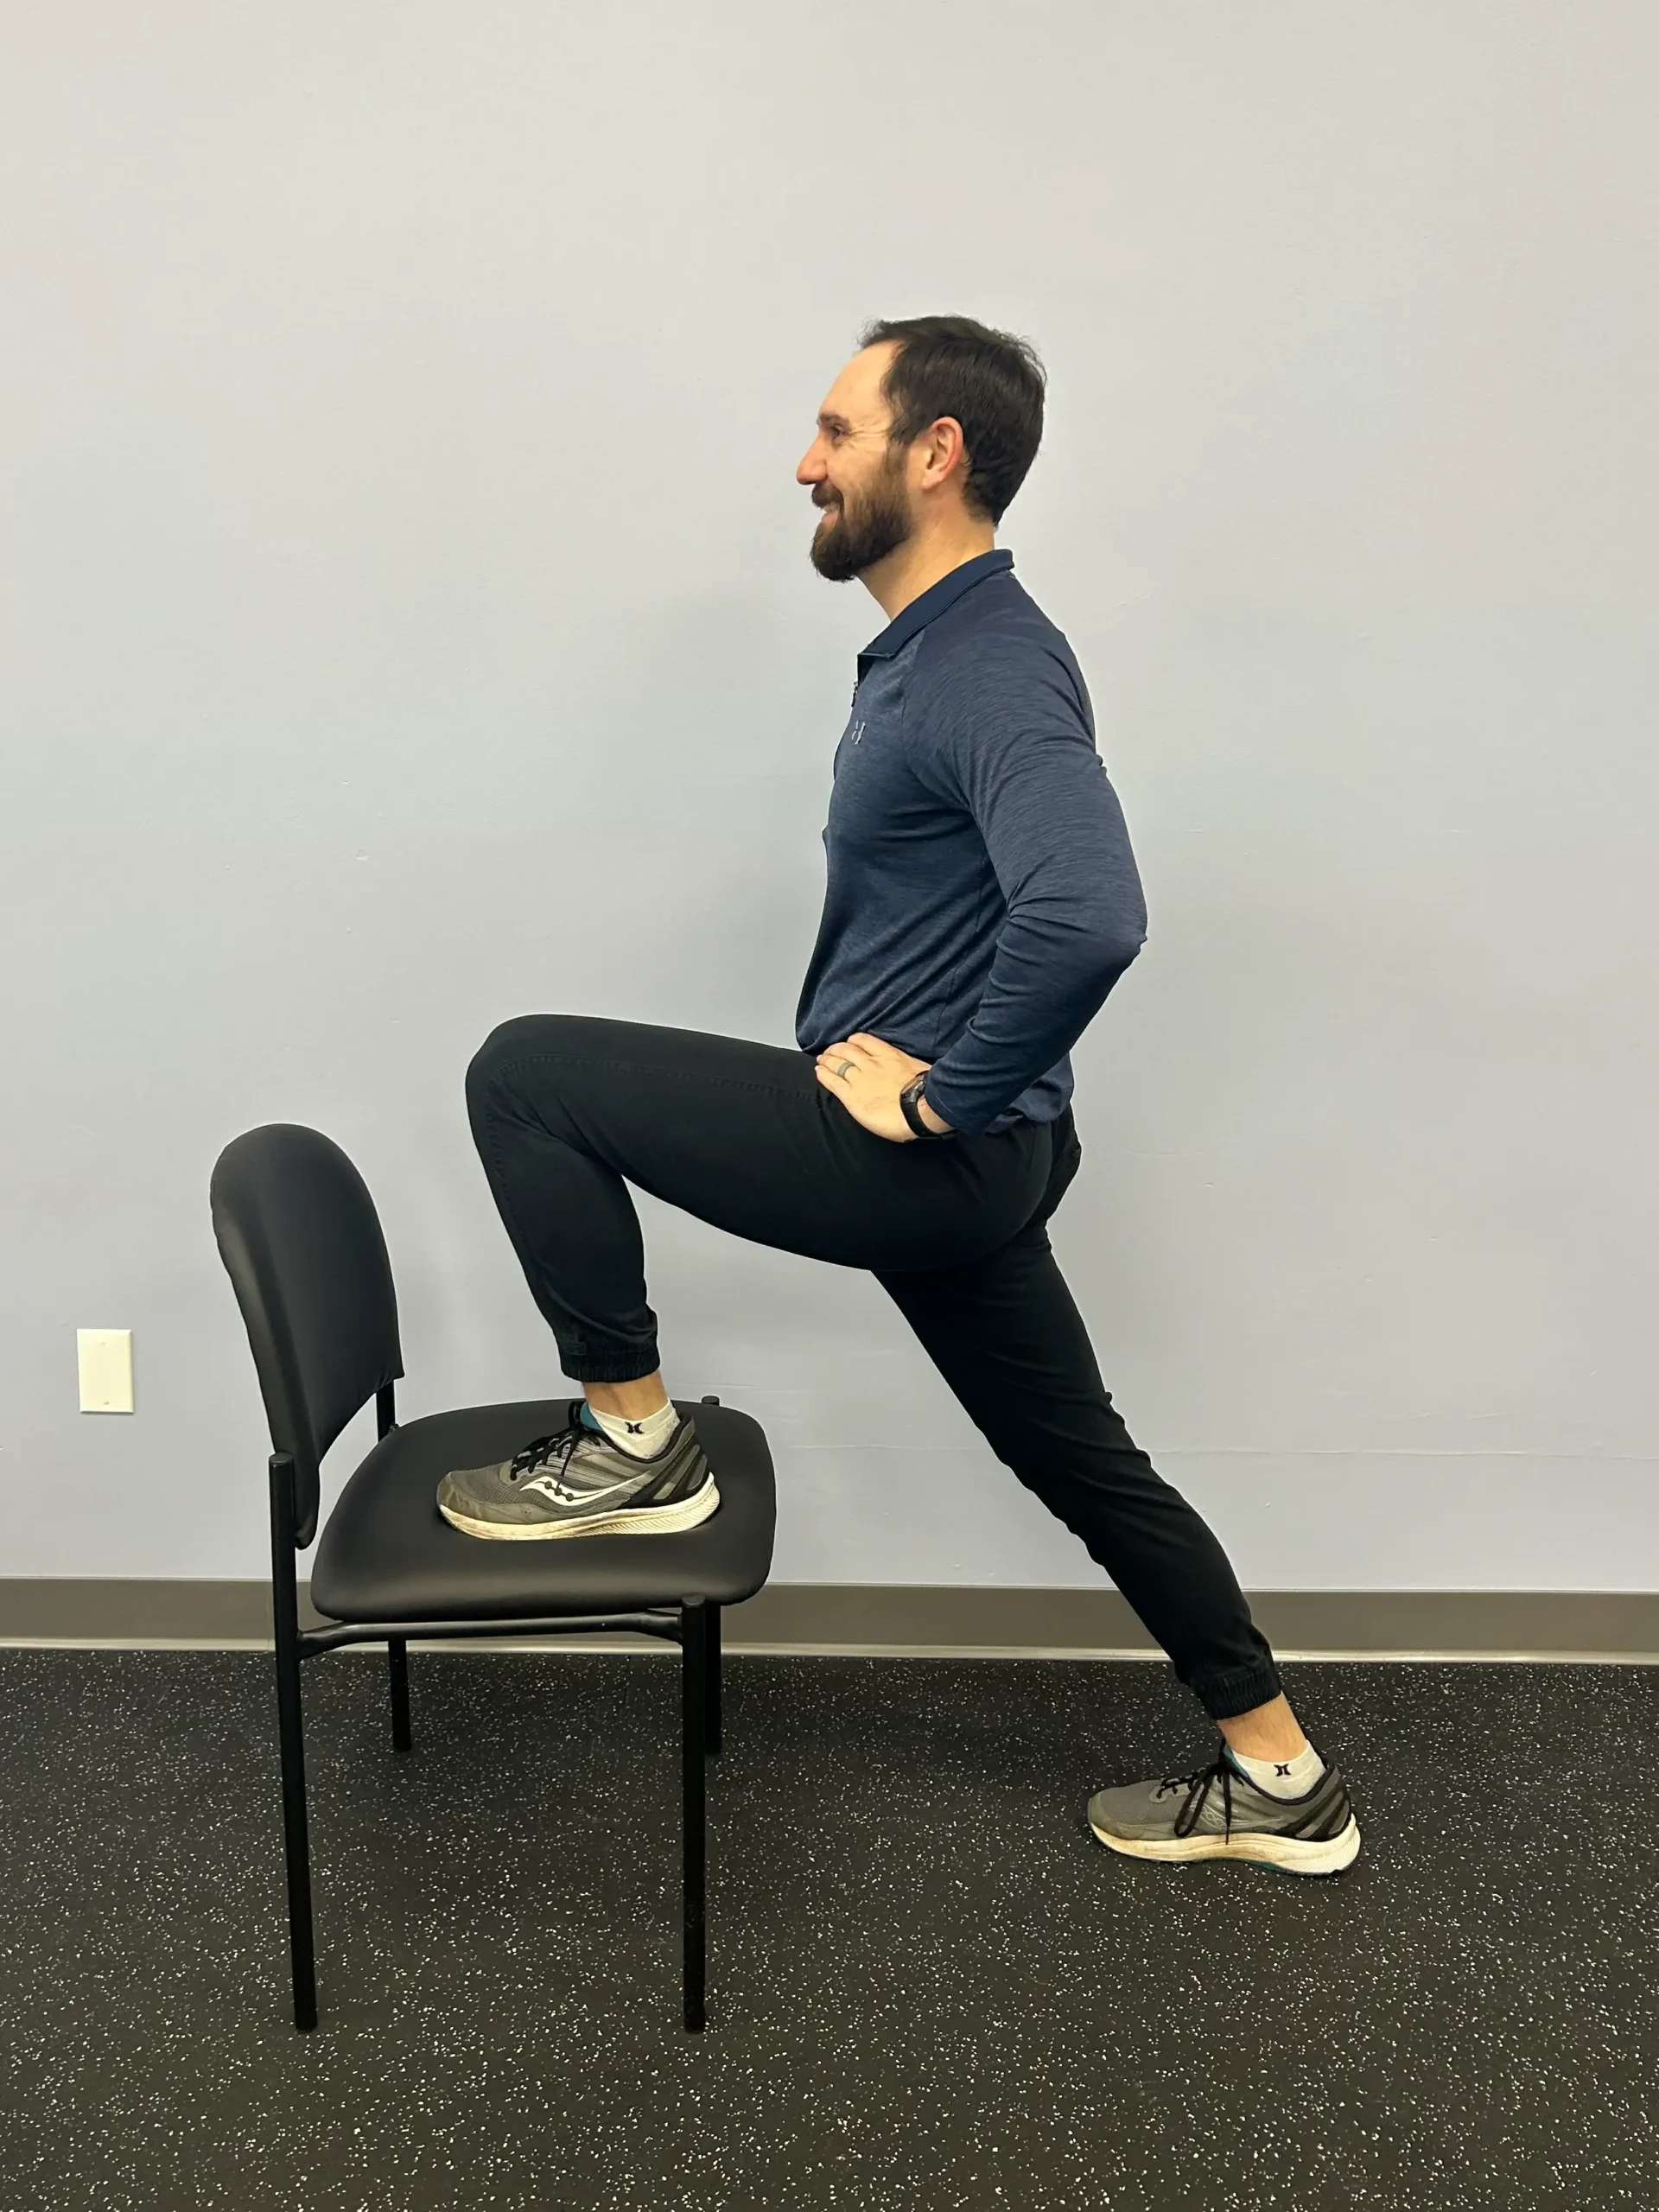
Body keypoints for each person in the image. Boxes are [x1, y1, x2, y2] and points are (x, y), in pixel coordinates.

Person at [437, 315, 1361, 1877]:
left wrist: (940, 1102)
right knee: (1084, 1462)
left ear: (935, 455)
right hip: (988, 1161)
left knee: (525, 1073)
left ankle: (633, 1440)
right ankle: (1279, 1778)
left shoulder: (986, 664)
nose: (805, 464)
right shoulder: (945, 650)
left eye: (834, 430)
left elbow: (1094, 911)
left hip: (934, 1157)